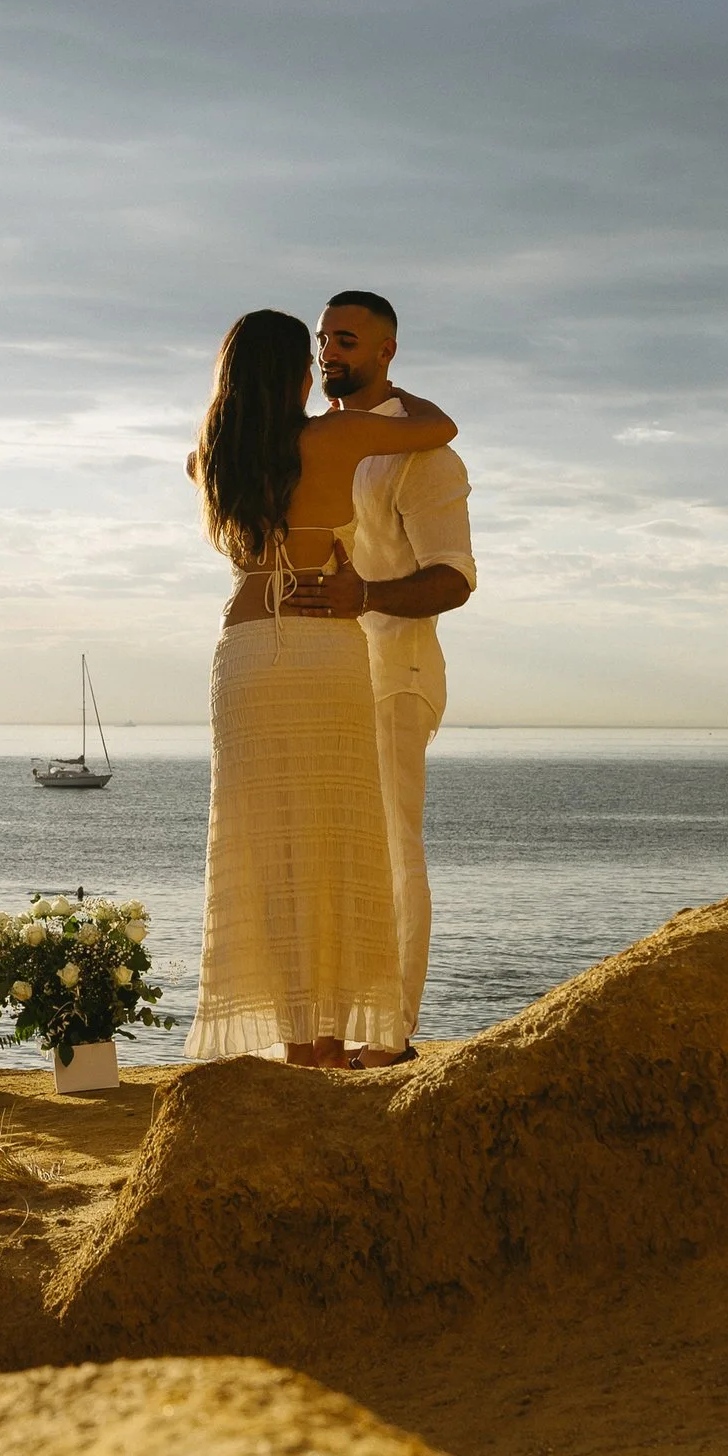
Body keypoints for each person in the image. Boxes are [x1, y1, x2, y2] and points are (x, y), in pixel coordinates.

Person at [181, 310, 458, 1069]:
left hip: (243, 659)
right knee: (339, 848)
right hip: (322, 649)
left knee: (266, 850)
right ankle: (332, 1045)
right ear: (293, 374)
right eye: (309, 355)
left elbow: (209, 458)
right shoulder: (334, 440)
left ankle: (295, 1041)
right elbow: (440, 425)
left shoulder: (208, 459)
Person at [279, 290, 476, 1052]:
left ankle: (389, 1037)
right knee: (327, 858)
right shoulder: (309, 443)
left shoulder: (423, 452)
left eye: (349, 339)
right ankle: (328, 1029)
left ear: (387, 351)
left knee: (394, 850)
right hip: (317, 678)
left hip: (395, 671)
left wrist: (367, 595)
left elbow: (453, 577)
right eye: (325, 337)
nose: (332, 350)